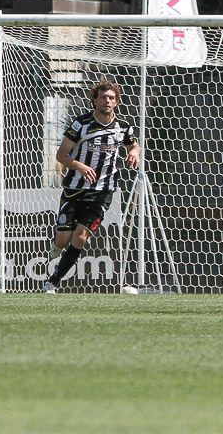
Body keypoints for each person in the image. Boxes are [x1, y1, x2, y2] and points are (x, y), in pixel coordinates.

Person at [44, 80, 140, 293]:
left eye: (112, 98)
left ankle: (52, 282)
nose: (108, 101)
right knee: (62, 240)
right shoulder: (81, 124)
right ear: (95, 100)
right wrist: (80, 166)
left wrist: (134, 152)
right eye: (104, 97)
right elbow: (62, 155)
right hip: (75, 189)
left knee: (80, 238)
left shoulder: (123, 127)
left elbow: (134, 144)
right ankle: (57, 247)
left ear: (116, 102)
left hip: (102, 192)